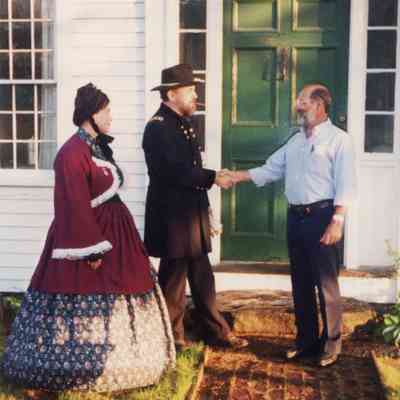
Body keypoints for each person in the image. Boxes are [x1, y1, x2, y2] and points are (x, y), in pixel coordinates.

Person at [1, 83, 175, 392]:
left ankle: (134, 361)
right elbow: (73, 205)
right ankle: (72, 370)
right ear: (90, 114)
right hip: (89, 239)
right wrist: (90, 251)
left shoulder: (96, 147)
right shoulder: (71, 153)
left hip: (116, 236)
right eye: (105, 111)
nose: (110, 116)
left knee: (129, 284)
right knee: (83, 290)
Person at [227, 84, 356, 367]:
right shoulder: (296, 141)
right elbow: (270, 169)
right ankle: (306, 342)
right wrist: (235, 176)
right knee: (301, 283)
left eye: (302, 101)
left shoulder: (339, 140)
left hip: (322, 217)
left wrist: (337, 221)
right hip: (296, 219)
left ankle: (331, 345)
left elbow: (346, 184)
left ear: (319, 106)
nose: (297, 105)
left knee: (326, 284)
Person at [142, 64, 247, 351]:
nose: (195, 96)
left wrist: (206, 206)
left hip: (190, 214)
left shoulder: (181, 123)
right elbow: (175, 171)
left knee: (202, 277)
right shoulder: (158, 128)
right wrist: (214, 178)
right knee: (174, 281)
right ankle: (171, 339)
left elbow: (189, 168)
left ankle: (216, 332)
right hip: (173, 218)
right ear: (172, 94)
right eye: (190, 90)